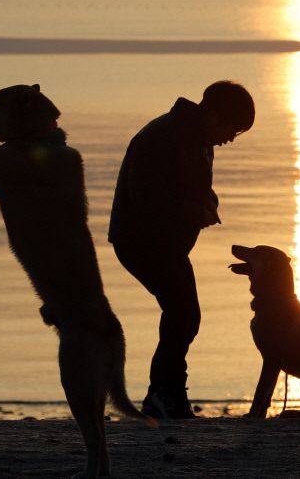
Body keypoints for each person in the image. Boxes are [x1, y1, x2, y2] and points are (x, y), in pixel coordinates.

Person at [108, 80, 255, 419]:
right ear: (214, 115)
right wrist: (194, 214)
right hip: (139, 241)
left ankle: (165, 394)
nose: (231, 137)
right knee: (181, 312)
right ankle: (163, 394)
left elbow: (203, 190)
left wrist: (209, 206)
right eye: (232, 128)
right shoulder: (159, 137)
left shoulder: (202, 142)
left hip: (169, 243)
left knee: (187, 315)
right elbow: (145, 196)